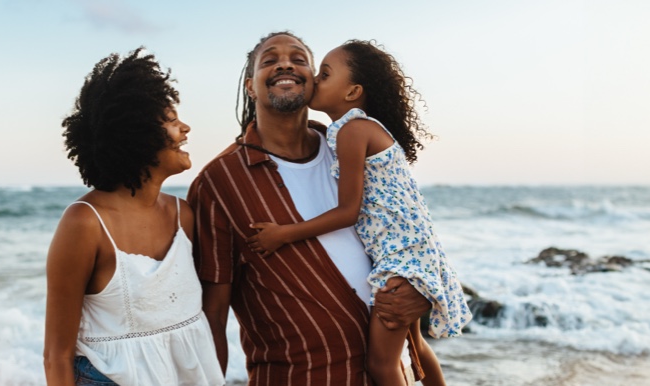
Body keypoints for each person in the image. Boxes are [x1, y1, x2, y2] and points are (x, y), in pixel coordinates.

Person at [187, 31, 431, 385]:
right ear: (250, 86)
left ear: (315, 82)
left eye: (299, 59)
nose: (285, 63)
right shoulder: (220, 182)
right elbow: (212, 313)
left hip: (395, 373)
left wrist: (420, 293)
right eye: (270, 59)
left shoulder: (354, 152)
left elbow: (410, 229)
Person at [245, 40, 473, 386]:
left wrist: (283, 234)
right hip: (414, 255)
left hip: (400, 260)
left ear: (352, 91)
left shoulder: (352, 131)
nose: (316, 81)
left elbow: (347, 211)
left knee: (381, 366)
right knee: (416, 347)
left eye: (325, 74)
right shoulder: (359, 129)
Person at [43, 48, 225, 386]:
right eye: (171, 120)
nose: (185, 128)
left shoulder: (182, 215)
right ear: (136, 132)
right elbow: (56, 354)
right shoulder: (84, 224)